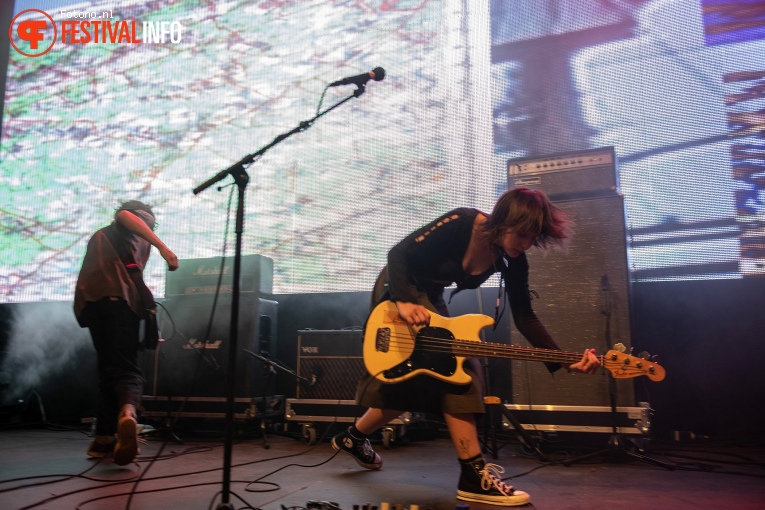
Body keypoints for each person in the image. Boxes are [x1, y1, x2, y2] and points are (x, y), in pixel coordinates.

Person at [331, 187, 601, 506]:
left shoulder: (515, 261)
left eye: (533, 238)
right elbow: (398, 254)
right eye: (522, 234)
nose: (526, 244)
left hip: (430, 299)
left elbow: (525, 315)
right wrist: (403, 301)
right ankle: (473, 475)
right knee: (459, 368)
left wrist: (562, 359)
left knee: (416, 380)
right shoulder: (461, 221)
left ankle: (353, 438)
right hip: (399, 287)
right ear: (503, 220)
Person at [74, 200, 179, 465]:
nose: (151, 226)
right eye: (149, 222)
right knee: (128, 370)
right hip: (119, 304)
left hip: (93, 305)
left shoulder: (106, 235)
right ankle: (128, 416)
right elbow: (124, 215)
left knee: (108, 370)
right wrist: (164, 248)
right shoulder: (130, 225)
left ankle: (104, 439)